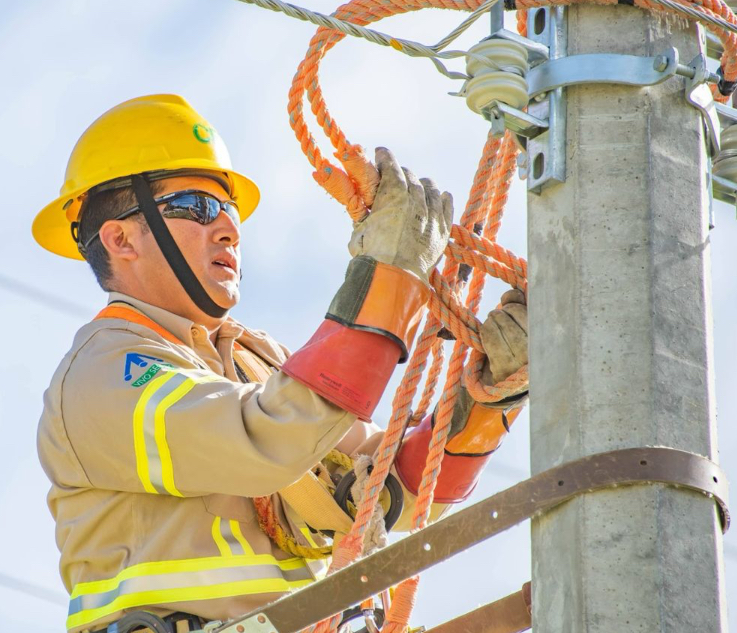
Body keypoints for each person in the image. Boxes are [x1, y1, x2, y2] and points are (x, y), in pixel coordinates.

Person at [35, 94, 529, 633]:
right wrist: (389, 275)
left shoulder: (254, 362)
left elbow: (394, 491)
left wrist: (489, 395)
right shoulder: (104, 371)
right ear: (120, 238)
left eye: (229, 210)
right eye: (198, 207)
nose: (228, 228)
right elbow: (268, 441)